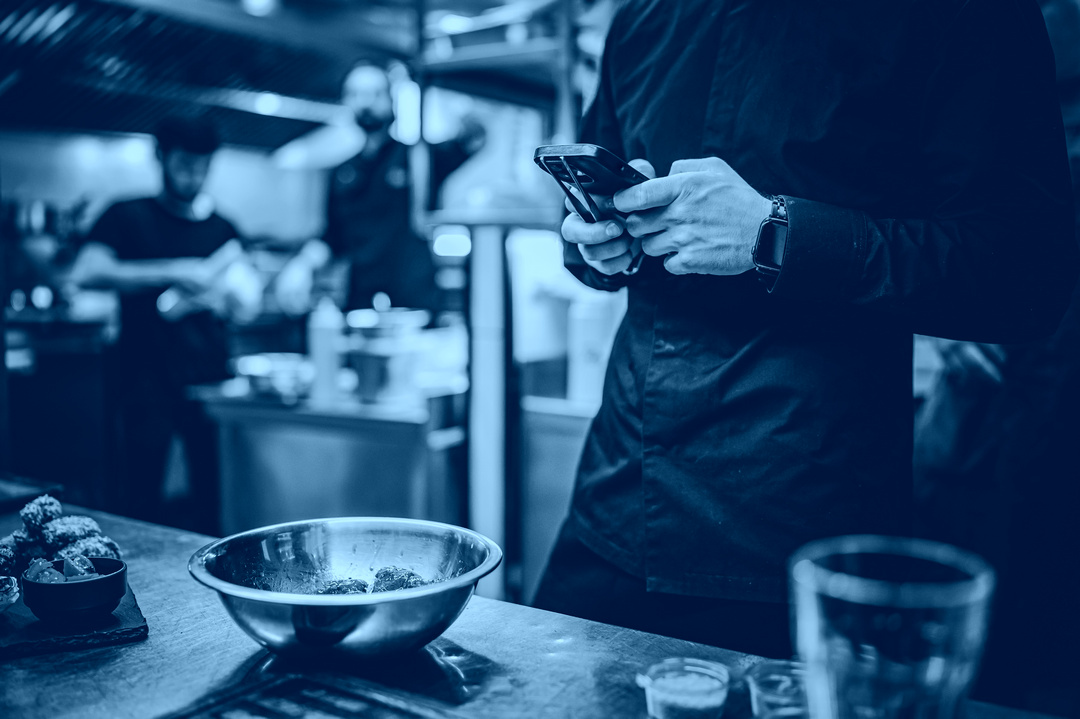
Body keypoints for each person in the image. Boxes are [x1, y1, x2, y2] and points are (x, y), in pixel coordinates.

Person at [532, 0, 1078, 660]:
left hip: (801, 534)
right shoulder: (643, 16)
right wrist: (595, 242)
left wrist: (775, 232)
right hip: (613, 503)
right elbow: (599, 219)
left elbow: (1025, 272)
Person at [69, 115, 253, 534]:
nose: (194, 175)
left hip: (211, 381)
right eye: (185, 164)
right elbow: (87, 270)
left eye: (203, 166)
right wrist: (175, 270)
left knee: (213, 499)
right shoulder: (128, 216)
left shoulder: (222, 228)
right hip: (144, 380)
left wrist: (237, 297)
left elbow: (243, 300)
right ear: (162, 158)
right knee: (140, 499)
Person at [274, 61, 485, 316]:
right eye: (354, 94)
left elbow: (475, 137)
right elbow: (333, 237)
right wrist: (302, 265)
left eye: (374, 94)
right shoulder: (343, 172)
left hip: (414, 305)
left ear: (392, 100)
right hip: (361, 305)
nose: (364, 102)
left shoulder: (420, 158)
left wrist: (445, 89)